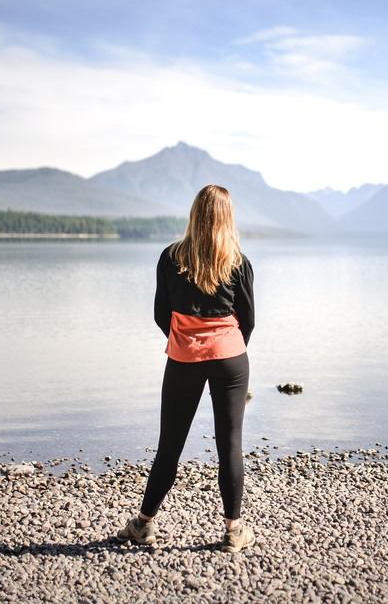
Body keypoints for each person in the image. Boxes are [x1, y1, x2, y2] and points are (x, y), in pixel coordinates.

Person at [118, 184, 256, 552]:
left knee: (170, 446)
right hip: (230, 359)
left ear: (195, 213)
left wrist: (184, 339)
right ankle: (232, 532)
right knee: (230, 445)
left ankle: (144, 524)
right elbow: (248, 319)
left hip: (184, 358)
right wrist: (228, 351)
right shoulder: (238, 261)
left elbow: (160, 314)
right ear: (228, 217)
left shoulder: (171, 257)